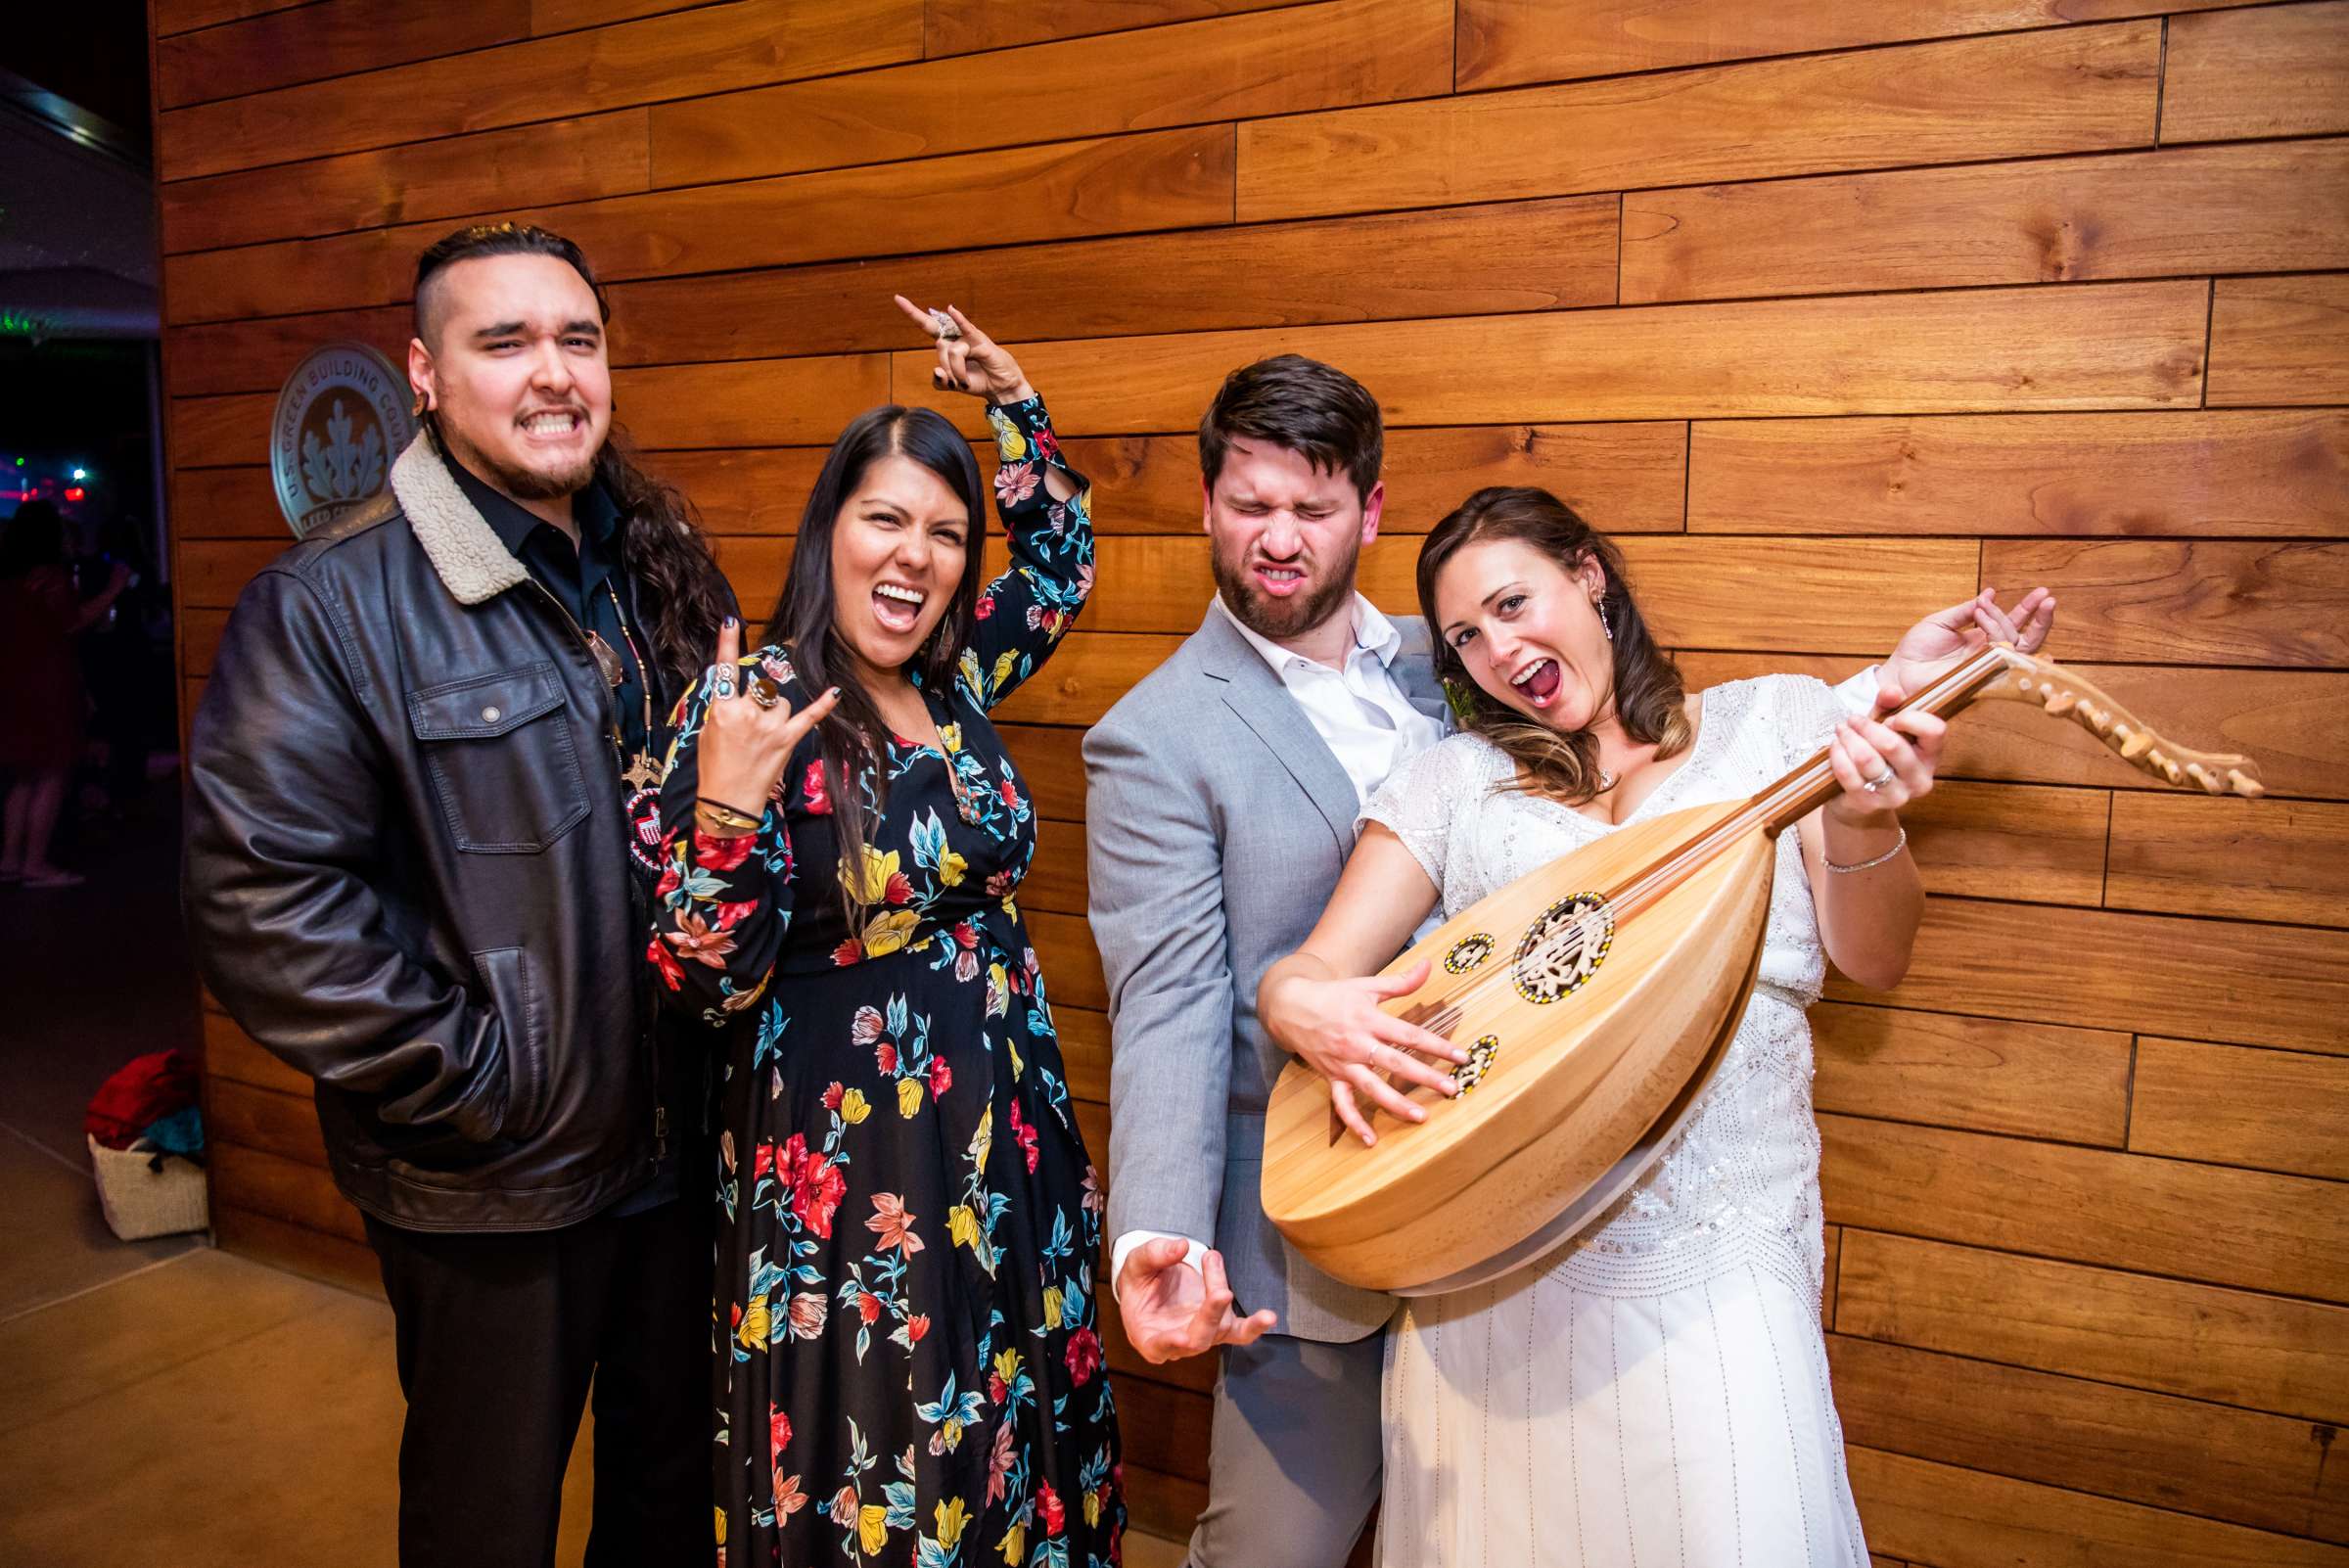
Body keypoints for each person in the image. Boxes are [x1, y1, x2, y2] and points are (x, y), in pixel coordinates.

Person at [1085, 357, 2053, 1567]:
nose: (1495, 646)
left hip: (1710, 1274)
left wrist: (1877, 752)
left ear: (1586, 575)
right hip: (1400, 1250)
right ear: (1208, 502)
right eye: (1251, 505)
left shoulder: (1747, 725)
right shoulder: (1388, 769)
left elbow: (1834, 885)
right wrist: (1172, 1208)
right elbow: (1196, 998)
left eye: (1516, 604)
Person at [184, 222, 735, 1566]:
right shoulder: (330, 602)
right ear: (425, 375)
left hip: (678, 1155)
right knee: (484, 1525)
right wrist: (481, 1080)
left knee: (670, 1507)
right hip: (496, 1184)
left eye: (578, 340)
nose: (554, 374)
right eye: (506, 343)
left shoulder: (652, 562)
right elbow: (263, 902)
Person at [648, 299, 1120, 1565]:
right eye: (886, 518)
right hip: (858, 1180)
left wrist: (1014, 402)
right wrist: (724, 808)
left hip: (1006, 1142)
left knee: (1015, 1440)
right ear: (831, 530)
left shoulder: (956, 681)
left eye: (947, 532)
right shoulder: (749, 704)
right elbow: (698, 979)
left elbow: (1065, 559)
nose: (915, 555)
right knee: (896, 1471)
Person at [0, 499, 129, 888]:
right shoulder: (51, 577)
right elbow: (72, 623)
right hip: (49, 682)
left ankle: (9, 860)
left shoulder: (7, 580)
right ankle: (36, 863)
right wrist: (114, 588)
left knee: (24, 776)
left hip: (13, 681)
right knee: (53, 772)